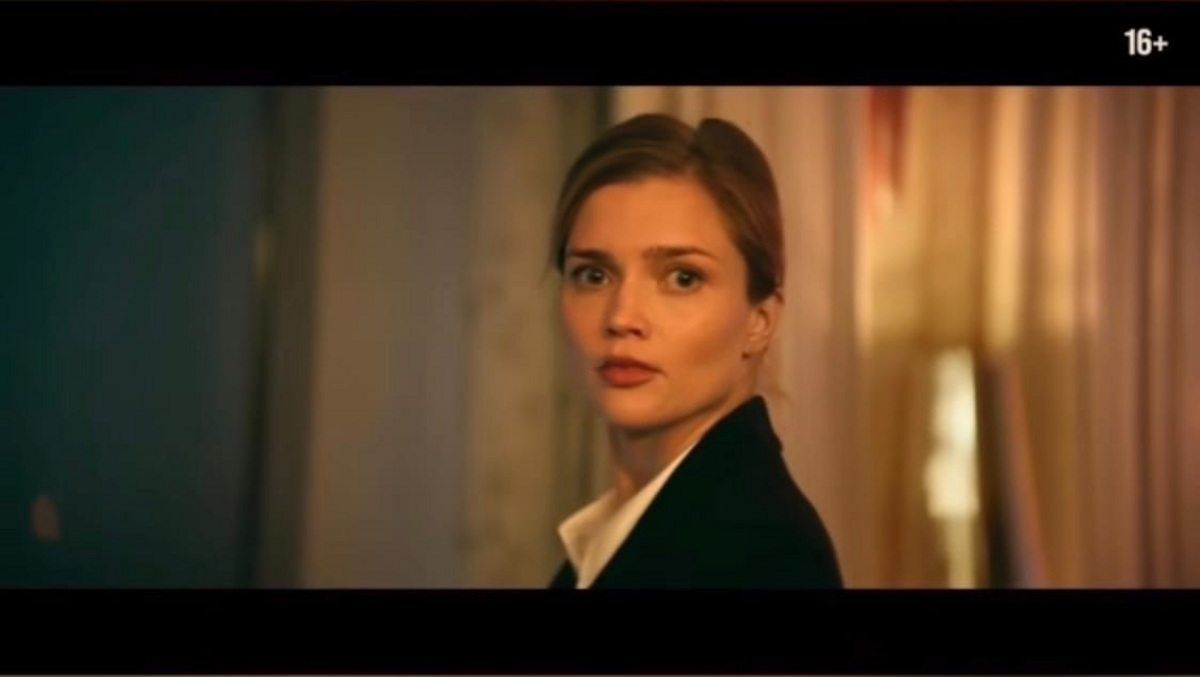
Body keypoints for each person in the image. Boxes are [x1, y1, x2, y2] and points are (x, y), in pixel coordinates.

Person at [547, 112, 844, 589]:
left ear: (759, 321)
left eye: (683, 278)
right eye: (594, 275)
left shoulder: (767, 557)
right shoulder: (621, 539)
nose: (621, 317)